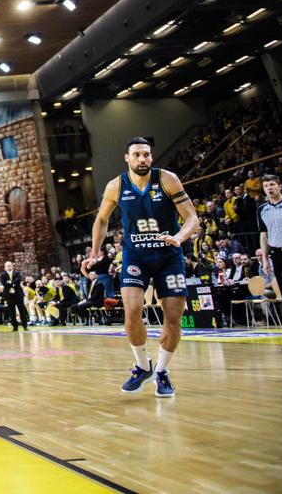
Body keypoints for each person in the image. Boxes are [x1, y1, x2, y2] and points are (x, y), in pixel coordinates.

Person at [90, 138, 199, 397]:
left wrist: (179, 237)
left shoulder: (167, 179)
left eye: (147, 154)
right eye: (137, 154)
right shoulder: (116, 185)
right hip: (135, 256)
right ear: (127, 158)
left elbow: (192, 218)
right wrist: (95, 251)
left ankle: (161, 371)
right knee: (132, 311)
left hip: (169, 257)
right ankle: (142, 366)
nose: (142, 159)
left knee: (173, 318)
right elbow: (102, 219)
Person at [256, 174, 282, 351]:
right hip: (277, 255)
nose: (269, 188)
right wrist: (264, 259)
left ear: (279, 186)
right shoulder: (262, 209)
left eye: (272, 184)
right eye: (266, 186)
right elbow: (264, 235)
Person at [0, 261, 28, 331]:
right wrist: (13, 283)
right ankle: (15, 326)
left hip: (18, 294)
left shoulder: (17, 273)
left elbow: (19, 280)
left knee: (22, 310)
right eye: (7, 266)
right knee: (12, 311)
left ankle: (25, 326)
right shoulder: (2, 275)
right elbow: (4, 283)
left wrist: (11, 283)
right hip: (9, 295)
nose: (8, 267)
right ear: (5, 267)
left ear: (12, 266)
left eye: (9, 266)